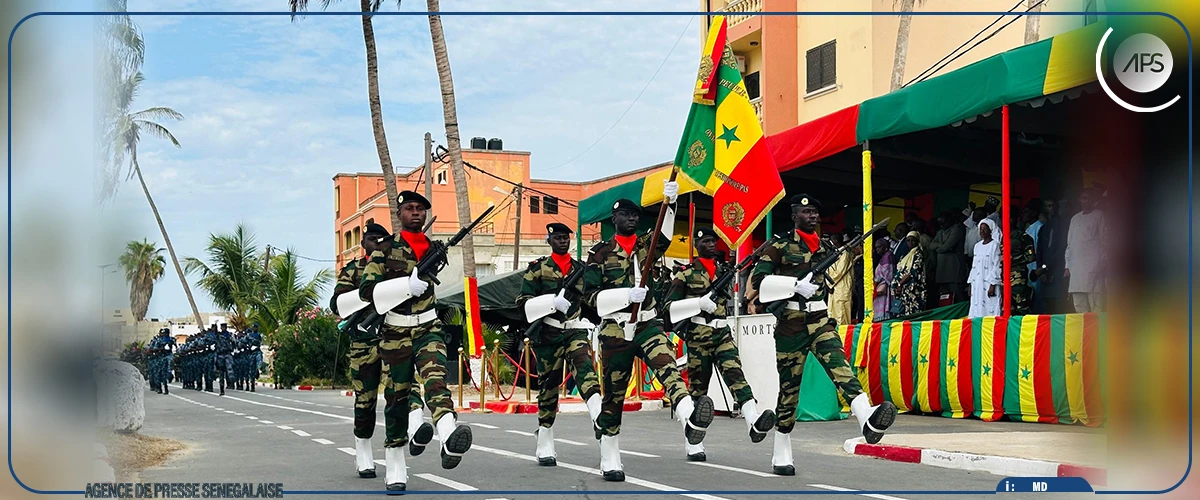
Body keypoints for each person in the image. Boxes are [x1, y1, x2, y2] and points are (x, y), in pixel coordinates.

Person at [752, 194, 897, 476]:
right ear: (794, 216)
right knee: (790, 390)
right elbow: (759, 282)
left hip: (819, 319)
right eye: (806, 212)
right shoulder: (778, 246)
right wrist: (794, 285)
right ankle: (781, 446)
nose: (813, 216)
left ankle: (866, 417)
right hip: (790, 325)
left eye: (816, 211)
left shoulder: (826, 246)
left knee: (840, 367)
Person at [583, 186, 715, 482]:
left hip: (647, 324)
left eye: (635, 215)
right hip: (616, 327)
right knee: (614, 395)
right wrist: (624, 296)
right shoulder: (600, 253)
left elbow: (665, 237)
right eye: (625, 215)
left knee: (667, 367)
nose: (631, 219)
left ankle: (689, 416)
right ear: (614, 218)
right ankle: (610, 453)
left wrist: (671, 204)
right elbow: (590, 298)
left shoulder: (646, 245)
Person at [359, 192, 472, 491]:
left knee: (436, 379)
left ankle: (448, 434)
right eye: (410, 208)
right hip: (395, 332)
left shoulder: (433, 249)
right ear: (399, 214)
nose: (416, 213)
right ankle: (395, 460)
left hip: (428, 327)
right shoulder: (385, 250)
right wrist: (405, 285)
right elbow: (367, 290)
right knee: (397, 399)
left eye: (421, 209)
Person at [665, 228, 777, 462]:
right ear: (696, 244)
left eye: (713, 241)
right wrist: (697, 303)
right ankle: (693, 441)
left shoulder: (723, 271)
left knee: (736, 375)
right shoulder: (684, 276)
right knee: (699, 388)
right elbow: (669, 308)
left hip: (721, 332)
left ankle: (752, 419)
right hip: (698, 333)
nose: (711, 245)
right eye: (706, 241)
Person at [515, 222, 603, 467]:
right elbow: (523, 303)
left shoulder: (580, 269)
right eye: (558, 238)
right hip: (548, 333)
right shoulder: (538, 269)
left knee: (585, 369)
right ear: (549, 240)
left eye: (566, 238)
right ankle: (544, 437)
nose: (563, 241)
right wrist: (552, 302)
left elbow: (590, 297)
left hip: (573, 331)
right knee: (549, 387)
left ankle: (598, 416)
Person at [1065, 188, 1106, 312]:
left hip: (1094, 268)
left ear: (1093, 200)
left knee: (1096, 308)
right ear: (1080, 200)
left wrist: (1103, 261)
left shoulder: (1099, 215)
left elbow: (1105, 240)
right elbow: (1070, 245)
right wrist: (1067, 266)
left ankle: (1098, 332)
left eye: (1088, 198)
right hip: (1076, 271)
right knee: (1079, 308)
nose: (1086, 201)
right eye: (1083, 198)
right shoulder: (1074, 219)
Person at [967, 219, 1003, 317]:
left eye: (985, 229)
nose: (982, 231)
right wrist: (971, 284)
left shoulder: (995, 245)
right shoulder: (977, 246)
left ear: (990, 230)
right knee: (977, 307)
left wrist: (993, 284)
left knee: (990, 307)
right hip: (977, 283)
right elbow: (974, 266)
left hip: (988, 283)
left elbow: (997, 265)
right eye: (980, 229)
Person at [932, 211, 967, 305]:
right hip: (942, 269)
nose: (941, 225)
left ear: (949, 220)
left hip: (954, 267)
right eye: (940, 223)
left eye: (943, 223)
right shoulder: (941, 231)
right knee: (944, 297)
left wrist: (939, 247)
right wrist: (940, 245)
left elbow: (946, 247)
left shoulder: (957, 229)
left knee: (957, 295)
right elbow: (931, 245)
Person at [825, 232, 858, 326]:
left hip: (841, 287)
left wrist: (829, 284)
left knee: (841, 315)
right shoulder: (834, 253)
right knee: (832, 314)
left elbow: (839, 272)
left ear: (835, 241)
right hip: (834, 288)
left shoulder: (845, 254)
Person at [892, 231, 927, 317]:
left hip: (913, 289)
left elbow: (912, 272)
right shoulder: (905, 255)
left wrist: (900, 284)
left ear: (917, 241)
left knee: (913, 313)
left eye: (913, 240)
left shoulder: (918, 254)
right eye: (908, 240)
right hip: (902, 291)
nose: (910, 243)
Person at [872, 236, 895, 321]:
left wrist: (876, 280)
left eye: (879, 247)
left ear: (885, 247)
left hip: (885, 288)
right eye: (876, 247)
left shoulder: (888, 256)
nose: (877, 249)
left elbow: (888, 274)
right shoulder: (883, 257)